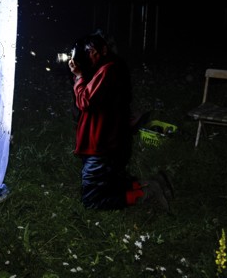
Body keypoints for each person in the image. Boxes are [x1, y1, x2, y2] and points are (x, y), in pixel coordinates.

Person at [68, 31, 172, 211]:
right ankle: (151, 183)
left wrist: (78, 76)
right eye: (87, 51)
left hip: (100, 146)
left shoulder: (108, 70)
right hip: (107, 141)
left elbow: (85, 101)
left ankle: (145, 193)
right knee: (108, 182)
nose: (90, 55)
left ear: (104, 49)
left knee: (91, 201)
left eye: (93, 51)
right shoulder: (109, 67)